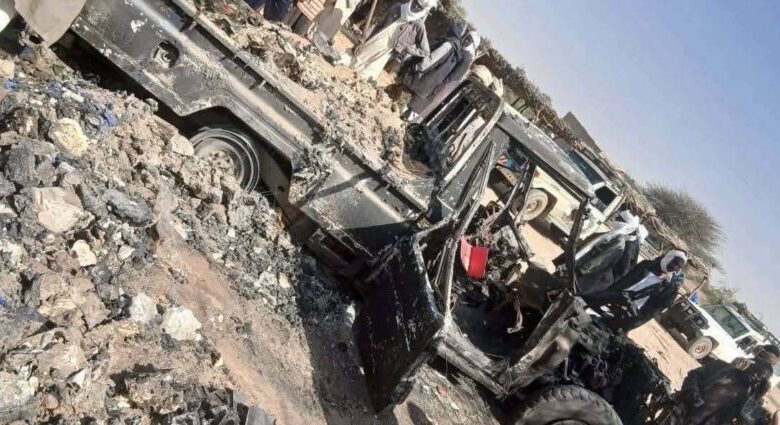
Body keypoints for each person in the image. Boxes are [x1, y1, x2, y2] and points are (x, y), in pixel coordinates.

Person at [585, 249, 687, 331]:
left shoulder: (669, 288)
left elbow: (652, 312)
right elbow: (623, 280)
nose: (674, 267)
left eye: (678, 266)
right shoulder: (645, 265)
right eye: (674, 262)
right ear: (668, 257)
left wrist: (631, 324)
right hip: (607, 300)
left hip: (624, 317)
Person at [554, 210, 648, 295]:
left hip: (588, 277)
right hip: (582, 271)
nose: (616, 220)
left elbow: (600, 260)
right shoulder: (615, 235)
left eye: (619, 219)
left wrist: (578, 271)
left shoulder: (620, 241)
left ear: (626, 223)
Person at [403, 22, 480, 122]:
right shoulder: (461, 50)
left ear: (473, 45)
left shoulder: (467, 57)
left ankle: (408, 119)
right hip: (438, 77)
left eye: (469, 40)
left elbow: (456, 75)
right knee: (419, 97)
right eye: (467, 38)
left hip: (441, 83)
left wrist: (443, 85)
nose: (466, 41)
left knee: (421, 101)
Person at [662, 360, 774, 425]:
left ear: (761, 381)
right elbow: (694, 375)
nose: (755, 374)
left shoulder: (751, 400)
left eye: (759, 376)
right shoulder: (721, 367)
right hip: (680, 413)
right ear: (750, 365)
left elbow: (752, 421)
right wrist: (691, 389)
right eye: (755, 369)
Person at [349, 0, 437, 80]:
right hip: (377, 40)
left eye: (420, 7)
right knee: (353, 60)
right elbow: (378, 24)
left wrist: (408, 49)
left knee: (367, 74)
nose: (416, 7)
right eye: (416, 3)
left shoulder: (419, 26)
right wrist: (362, 40)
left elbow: (425, 52)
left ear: (423, 10)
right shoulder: (398, 8)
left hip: (388, 51)